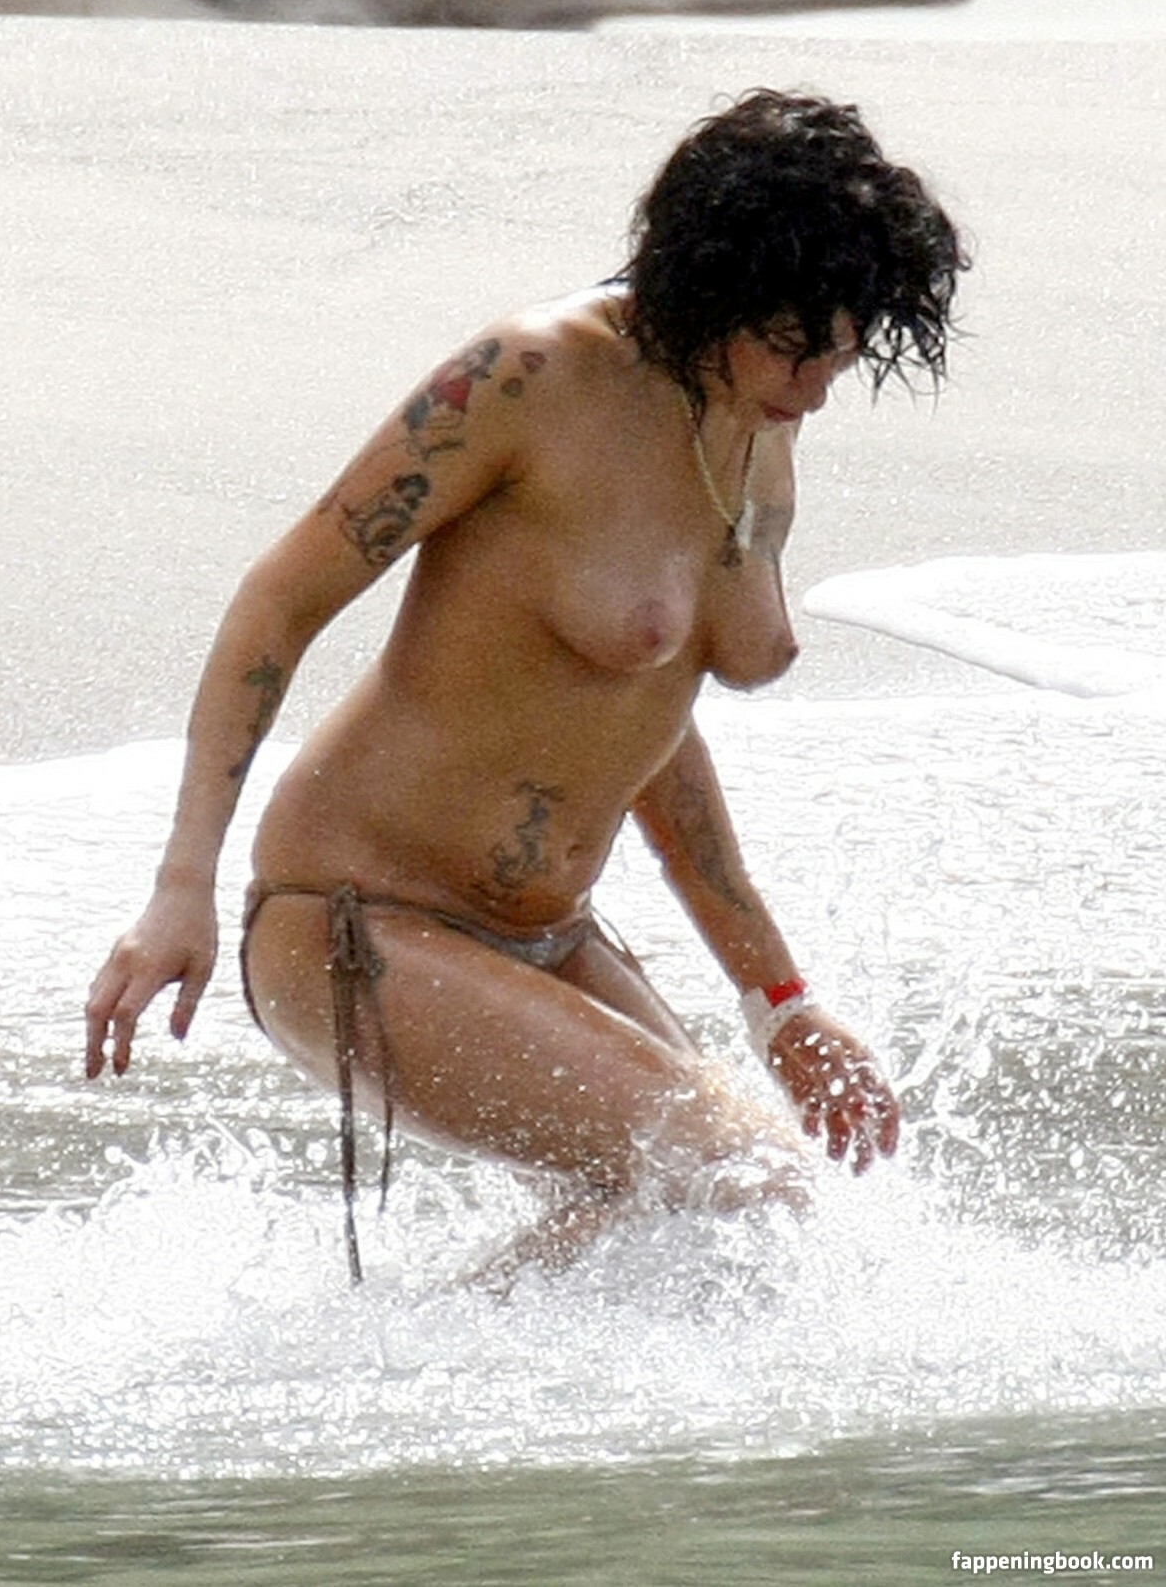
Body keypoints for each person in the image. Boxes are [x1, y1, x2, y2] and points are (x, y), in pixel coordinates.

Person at [86, 89, 967, 1287]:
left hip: (548, 937)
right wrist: (180, 887)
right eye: (790, 344)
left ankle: (417, 1373)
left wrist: (782, 1002)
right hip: (359, 917)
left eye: (842, 351)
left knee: (746, 1235)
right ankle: (395, 1375)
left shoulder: (754, 419)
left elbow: (646, 718)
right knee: (737, 1189)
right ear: (708, 282)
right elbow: (277, 600)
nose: (812, 387)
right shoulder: (529, 378)